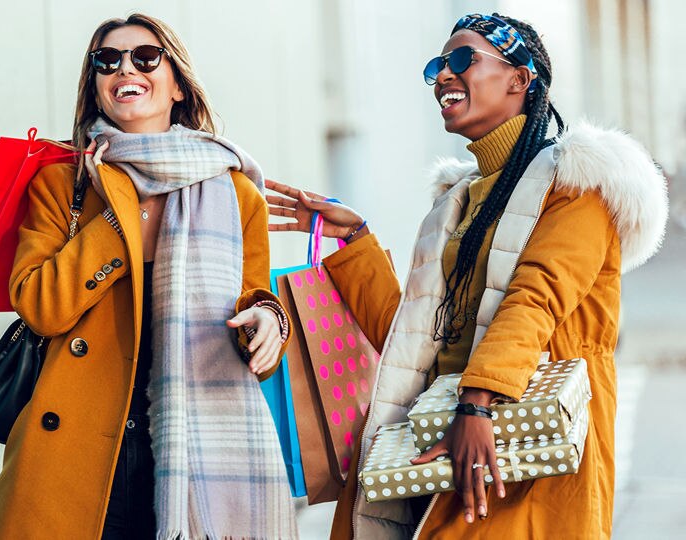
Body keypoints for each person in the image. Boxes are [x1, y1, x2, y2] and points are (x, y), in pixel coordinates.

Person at [267, 12, 667, 539]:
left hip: (524, 449)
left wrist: (478, 403)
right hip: (446, 435)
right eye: (438, 65)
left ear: (520, 79)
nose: (443, 76)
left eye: (463, 60)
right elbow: (418, 339)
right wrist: (355, 242)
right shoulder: (458, 203)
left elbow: (536, 299)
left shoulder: (578, 187)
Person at [0, 13, 297, 539]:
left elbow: (252, 298)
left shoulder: (233, 191)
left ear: (176, 83)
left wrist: (269, 321)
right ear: (97, 87)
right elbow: (40, 306)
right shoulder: (62, 185)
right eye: (107, 60)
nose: (125, 67)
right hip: (81, 452)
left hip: (190, 449)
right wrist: (119, 216)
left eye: (146, 57)